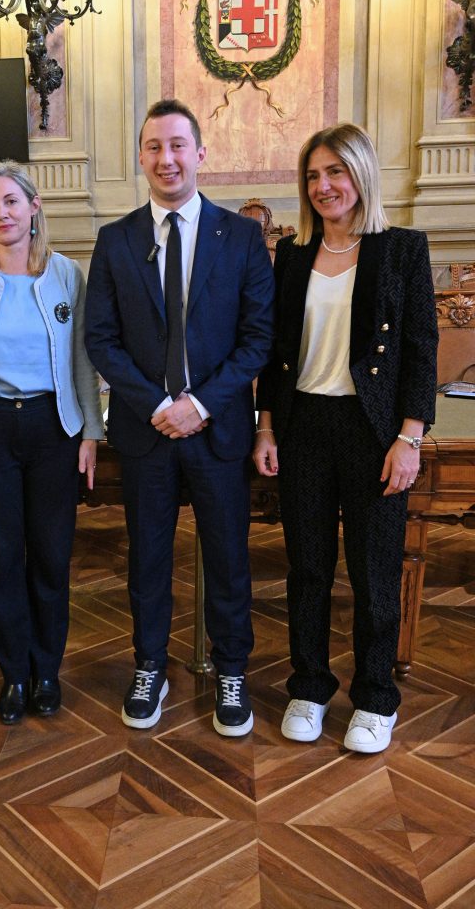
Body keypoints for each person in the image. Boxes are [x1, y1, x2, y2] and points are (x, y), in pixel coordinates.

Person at [84, 98, 275, 735]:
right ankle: (149, 666)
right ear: (141, 157)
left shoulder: (241, 237)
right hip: (146, 431)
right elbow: (101, 340)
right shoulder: (115, 241)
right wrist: (160, 405)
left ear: (200, 154)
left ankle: (231, 670)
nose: (166, 158)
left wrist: (200, 403)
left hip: (218, 431)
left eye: (176, 145)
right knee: (147, 560)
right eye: (153, 147)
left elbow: (257, 338)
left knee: (228, 559)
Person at [254, 123, 438, 754]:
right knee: (307, 568)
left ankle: (375, 696)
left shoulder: (402, 250)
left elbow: (421, 350)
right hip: (303, 425)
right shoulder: (292, 254)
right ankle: (308, 686)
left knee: (374, 571)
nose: (323, 185)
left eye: (335, 171)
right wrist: (266, 427)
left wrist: (409, 438)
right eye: (313, 175)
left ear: (361, 173)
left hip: (373, 432)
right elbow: (276, 352)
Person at [0, 160, 104, 725]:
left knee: (51, 558)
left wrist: (91, 432)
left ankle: (47, 671)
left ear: (34, 207)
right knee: (4, 560)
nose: (1, 214)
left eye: (10, 202)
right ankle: (14, 675)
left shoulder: (66, 275)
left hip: (55, 429)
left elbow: (82, 361)